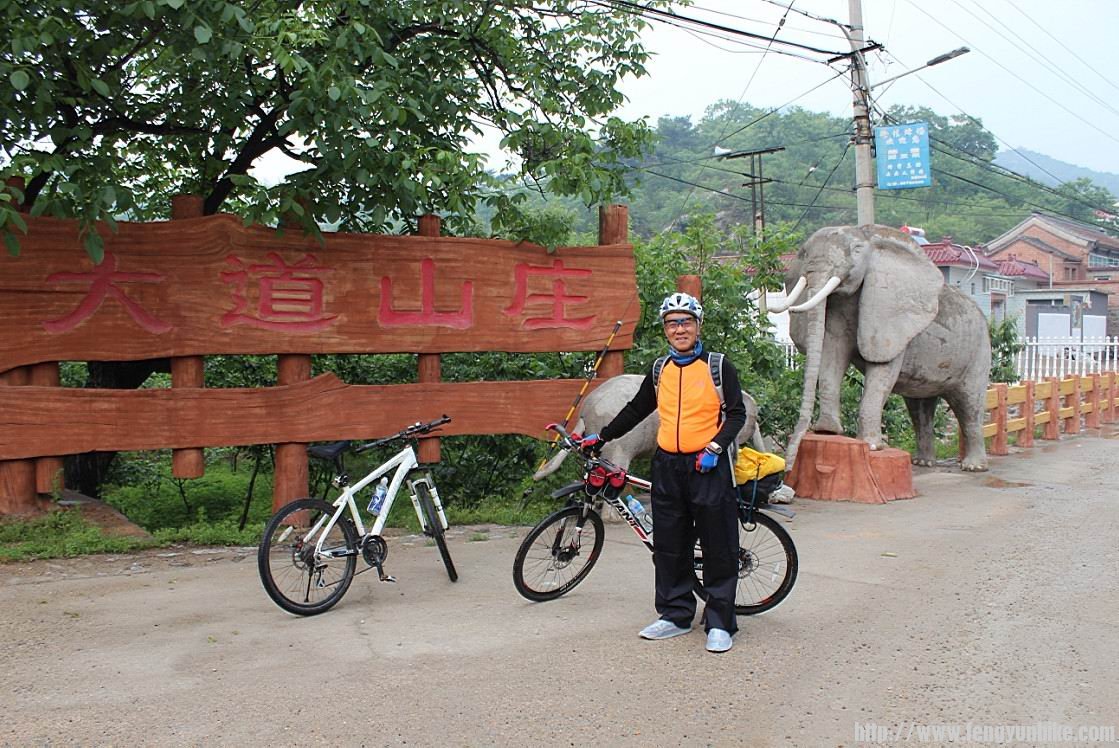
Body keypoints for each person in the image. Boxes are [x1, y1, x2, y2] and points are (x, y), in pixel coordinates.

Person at [580, 292, 747, 653]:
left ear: (698, 325)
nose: (679, 328)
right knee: (669, 544)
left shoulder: (718, 366)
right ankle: (674, 614)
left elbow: (736, 414)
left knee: (718, 545)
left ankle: (720, 622)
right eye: (672, 323)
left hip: (708, 465)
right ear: (665, 330)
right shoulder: (660, 369)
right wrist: (603, 436)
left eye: (686, 321)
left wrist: (715, 448)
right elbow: (637, 408)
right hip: (668, 465)